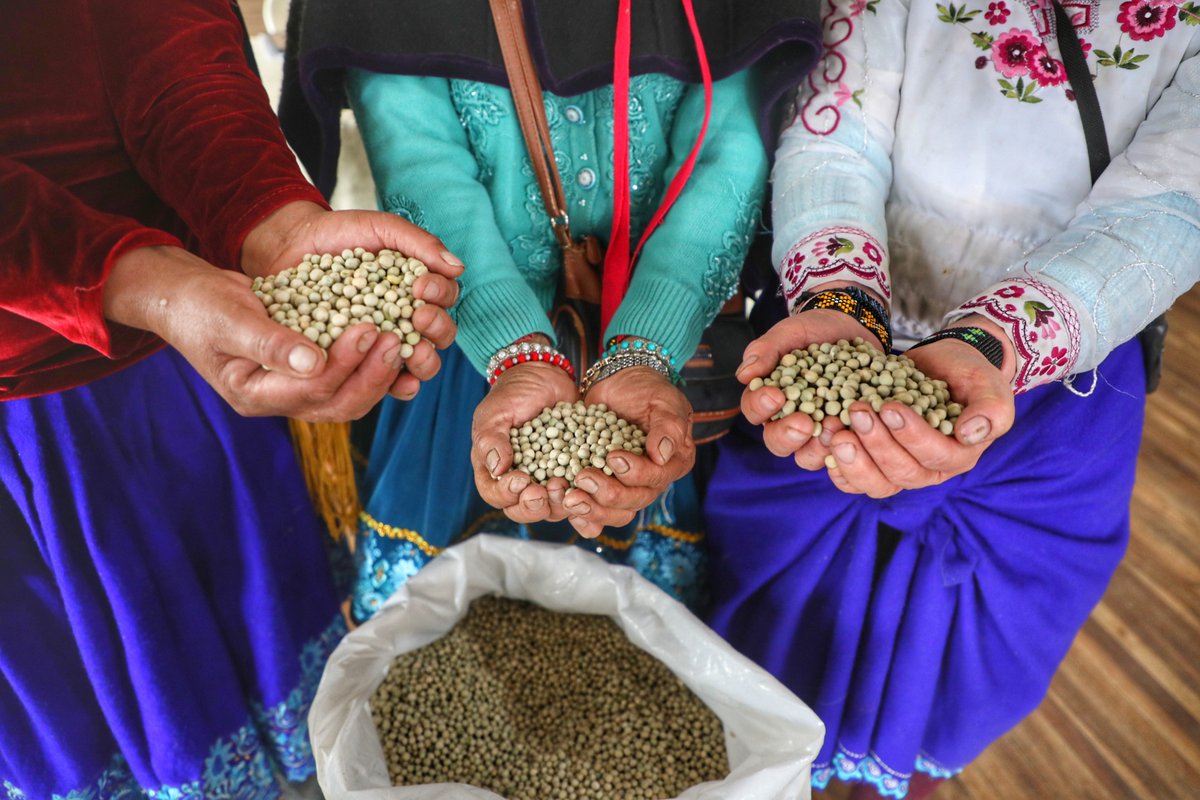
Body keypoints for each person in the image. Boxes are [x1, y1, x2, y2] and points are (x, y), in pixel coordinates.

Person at [705, 0, 1200, 796]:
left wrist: (993, 344)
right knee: (770, 633)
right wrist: (839, 299)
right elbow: (836, 126)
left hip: (1061, 383)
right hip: (852, 310)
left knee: (966, 658)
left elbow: (1177, 201)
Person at [1, 1, 463, 796]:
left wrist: (265, 213)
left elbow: (160, 41)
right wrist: (134, 280)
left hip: (191, 347)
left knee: (262, 637)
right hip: (63, 403)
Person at [279, 0, 823, 620]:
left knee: (635, 623)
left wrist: (647, 345)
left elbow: (725, 148)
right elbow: (419, 160)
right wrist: (514, 349)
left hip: (669, 353)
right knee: (445, 623)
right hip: (462, 344)